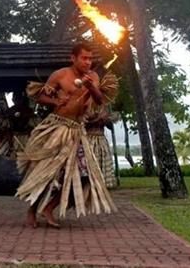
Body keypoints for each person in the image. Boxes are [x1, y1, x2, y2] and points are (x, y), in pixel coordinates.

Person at [16, 43, 117, 228]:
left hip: (78, 131)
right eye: (84, 58)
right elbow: (39, 96)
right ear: (73, 58)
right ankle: (32, 210)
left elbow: (99, 100)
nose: (88, 62)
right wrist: (55, 100)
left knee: (85, 175)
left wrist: (90, 86)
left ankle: (48, 208)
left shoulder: (93, 76)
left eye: (90, 58)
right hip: (57, 128)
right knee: (47, 173)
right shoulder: (60, 75)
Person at [0, 92, 37, 159]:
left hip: (26, 138)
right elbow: (2, 123)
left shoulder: (28, 111)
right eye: (16, 99)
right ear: (13, 99)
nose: (17, 101)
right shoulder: (9, 111)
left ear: (21, 99)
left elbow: (33, 125)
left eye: (18, 99)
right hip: (13, 139)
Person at [86, 107, 117, 189]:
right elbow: (82, 123)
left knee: (101, 161)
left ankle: (101, 185)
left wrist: (106, 119)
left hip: (101, 139)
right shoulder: (86, 106)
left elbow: (110, 126)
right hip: (89, 139)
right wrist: (97, 118)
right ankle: (89, 185)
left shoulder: (103, 107)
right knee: (91, 162)